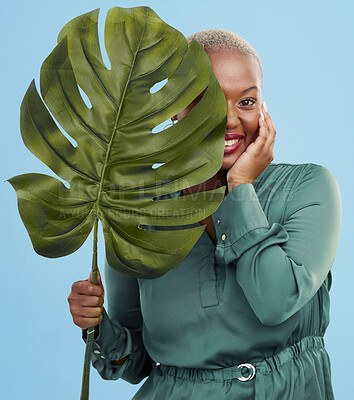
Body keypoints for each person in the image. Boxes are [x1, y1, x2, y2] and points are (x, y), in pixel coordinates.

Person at [67, 29, 342, 399]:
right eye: (207, 100)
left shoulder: (308, 188)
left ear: (263, 108)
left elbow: (275, 302)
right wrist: (96, 326)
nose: (230, 120)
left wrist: (240, 186)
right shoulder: (139, 210)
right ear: (175, 110)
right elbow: (135, 363)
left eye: (246, 102)